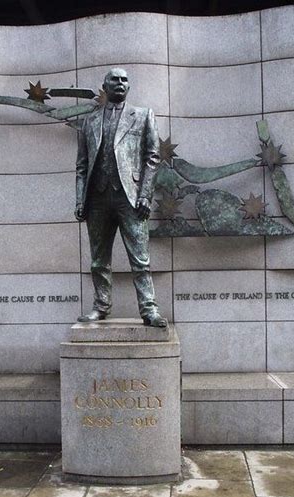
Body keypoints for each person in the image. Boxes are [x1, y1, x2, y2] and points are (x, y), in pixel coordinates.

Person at [75, 68, 167, 327]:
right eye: (114, 79)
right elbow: (82, 165)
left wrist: (145, 195)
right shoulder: (89, 121)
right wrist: (80, 199)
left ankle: (149, 309)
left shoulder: (143, 115)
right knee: (98, 259)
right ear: (104, 86)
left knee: (140, 258)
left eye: (124, 80)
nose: (120, 83)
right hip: (97, 199)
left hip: (131, 198)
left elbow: (152, 158)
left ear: (129, 87)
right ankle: (101, 307)